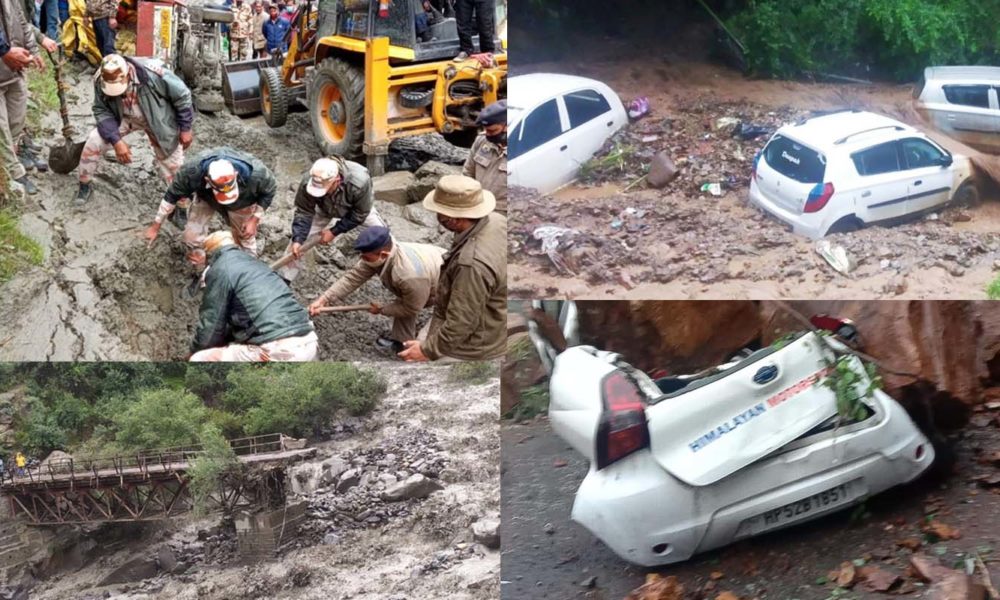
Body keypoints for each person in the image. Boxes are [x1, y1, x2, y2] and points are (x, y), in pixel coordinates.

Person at [398, 175, 505, 362]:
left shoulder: (471, 265)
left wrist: (427, 350)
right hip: (496, 317)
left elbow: (460, 323)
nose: (437, 217)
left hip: (473, 347)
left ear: (452, 220)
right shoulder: (496, 220)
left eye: (439, 213)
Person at [76, 54, 194, 204]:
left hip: (158, 118)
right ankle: (84, 184)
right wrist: (116, 140)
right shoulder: (101, 79)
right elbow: (101, 110)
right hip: (122, 116)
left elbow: (182, 96)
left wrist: (185, 128)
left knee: (173, 164)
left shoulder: (153, 74)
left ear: (128, 75)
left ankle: (181, 206)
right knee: (93, 141)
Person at [189, 230, 318, 361]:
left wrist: (192, 353)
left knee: (199, 359)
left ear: (210, 254)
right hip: (308, 341)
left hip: (279, 349)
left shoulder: (220, 269)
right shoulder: (256, 264)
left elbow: (211, 327)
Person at [308, 226, 446, 344]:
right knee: (404, 301)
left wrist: (382, 309)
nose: (362, 260)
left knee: (424, 346)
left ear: (384, 254)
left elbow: (412, 308)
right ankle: (401, 342)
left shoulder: (408, 275)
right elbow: (352, 278)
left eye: (366, 257)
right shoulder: (378, 255)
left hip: (454, 287)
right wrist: (324, 299)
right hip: (429, 278)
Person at [144, 147, 277, 267]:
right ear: (208, 180)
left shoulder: (257, 174)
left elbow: (269, 191)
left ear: (235, 175)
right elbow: (171, 196)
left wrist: (254, 219)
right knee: (190, 237)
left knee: (245, 237)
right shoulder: (191, 172)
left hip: (243, 201)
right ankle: (200, 267)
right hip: (207, 197)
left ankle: (248, 268)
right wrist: (155, 227)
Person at [275, 156, 387, 283]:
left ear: (336, 180)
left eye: (324, 189)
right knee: (297, 245)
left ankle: (393, 273)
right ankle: (283, 280)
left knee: (383, 235)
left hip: (355, 209)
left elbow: (360, 214)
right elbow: (304, 211)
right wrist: (298, 238)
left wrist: (334, 231)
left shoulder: (359, 181)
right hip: (324, 208)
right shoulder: (309, 180)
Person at [0, 0, 43, 197]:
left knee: (16, 119)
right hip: (5, 60)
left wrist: (33, 50)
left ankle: (13, 157)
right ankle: (15, 173)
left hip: (14, 69)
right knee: (2, 128)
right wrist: (4, 51)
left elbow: (22, 21)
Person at [463, 99, 505, 214]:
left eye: (492, 131)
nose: (488, 135)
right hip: (479, 205)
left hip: (503, 212)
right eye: (486, 131)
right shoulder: (481, 141)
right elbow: (468, 172)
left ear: (506, 126)